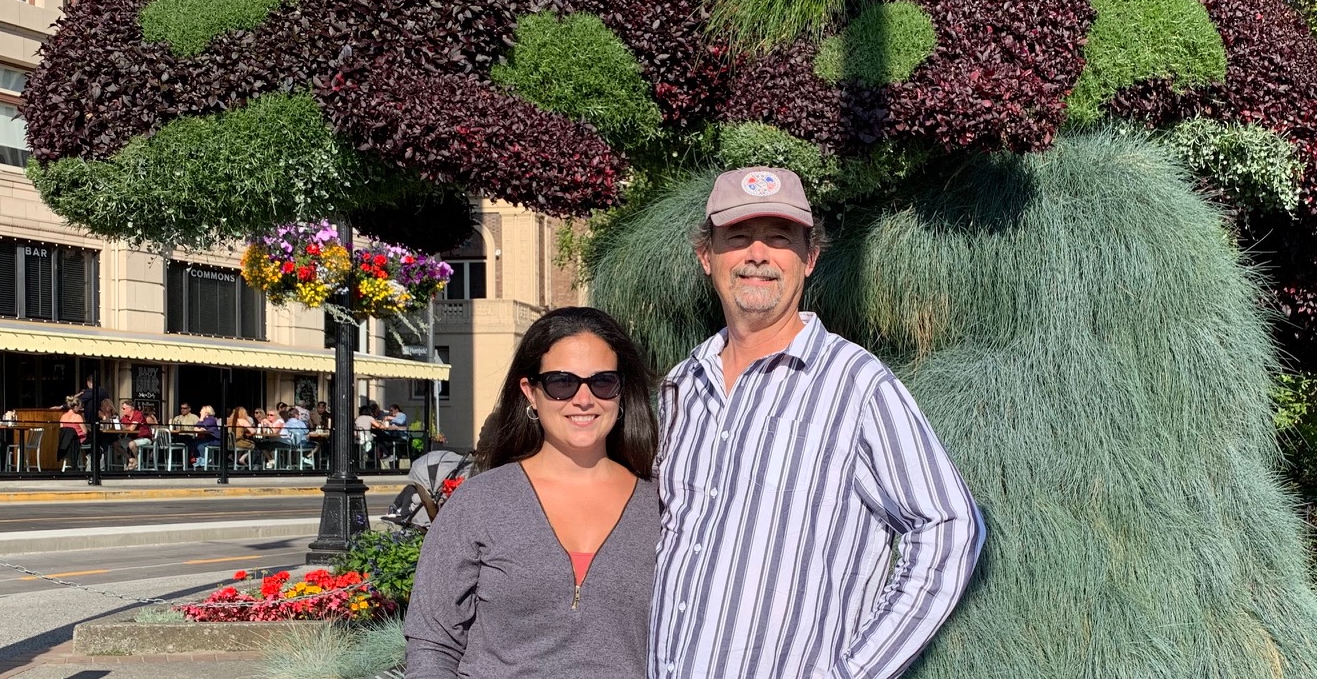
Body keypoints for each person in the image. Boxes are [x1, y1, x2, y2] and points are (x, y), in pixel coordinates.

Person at [651, 167, 984, 679]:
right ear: (706, 255)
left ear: (809, 259)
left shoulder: (855, 384)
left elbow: (950, 527)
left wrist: (857, 671)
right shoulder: (681, 387)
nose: (757, 254)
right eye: (737, 237)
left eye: (779, 239)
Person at [407, 307, 659, 679]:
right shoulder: (480, 503)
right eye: (562, 383)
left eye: (603, 382)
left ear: (621, 391)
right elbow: (432, 643)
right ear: (531, 393)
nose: (584, 399)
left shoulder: (662, 507)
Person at [115, 400, 153, 469]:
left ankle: (138, 461)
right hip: (133, 438)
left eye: (123, 408)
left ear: (130, 409)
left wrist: (124, 428)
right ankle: (131, 459)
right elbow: (121, 426)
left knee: (131, 444)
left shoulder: (138, 414)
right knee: (115, 444)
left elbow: (132, 428)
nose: (122, 410)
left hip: (145, 438)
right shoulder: (125, 417)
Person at [58, 399, 87, 471]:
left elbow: (62, 430)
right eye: (80, 407)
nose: (80, 409)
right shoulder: (78, 417)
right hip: (78, 440)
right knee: (96, 446)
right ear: (76, 406)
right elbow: (85, 431)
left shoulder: (63, 416)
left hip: (66, 443)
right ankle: (90, 468)